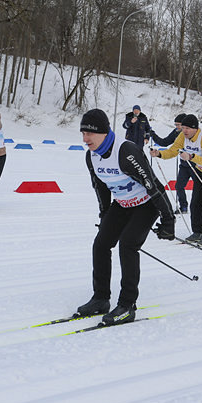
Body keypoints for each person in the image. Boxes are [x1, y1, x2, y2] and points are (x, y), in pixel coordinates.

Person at [75, 109, 175, 325]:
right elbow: (100, 187)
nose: (85, 139)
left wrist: (168, 220)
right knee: (101, 245)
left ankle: (127, 306)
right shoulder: (91, 156)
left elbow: (153, 185)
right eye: (82, 133)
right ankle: (101, 298)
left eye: (89, 133)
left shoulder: (126, 151)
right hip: (121, 204)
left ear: (104, 132)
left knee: (128, 245)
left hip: (146, 205)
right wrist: (104, 215)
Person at [151, 114, 202, 246]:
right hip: (201, 171)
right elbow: (173, 151)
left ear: (195, 129)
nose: (184, 131)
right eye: (183, 128)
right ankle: (197, 232)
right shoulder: (182, 136)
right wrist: (159, 154)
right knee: (195, 202)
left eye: (187, 128)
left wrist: (191, 157)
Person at [151, 113, 190, 213]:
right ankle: (183, 207)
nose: (177, 127)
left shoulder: (191, 133)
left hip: (195, 164)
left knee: (199, 188)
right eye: (175, 125)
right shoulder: (176, 132)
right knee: (179, 186)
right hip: (184, 164)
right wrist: (153, 134)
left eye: (179, 125)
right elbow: (164, 142)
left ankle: (200, 206)